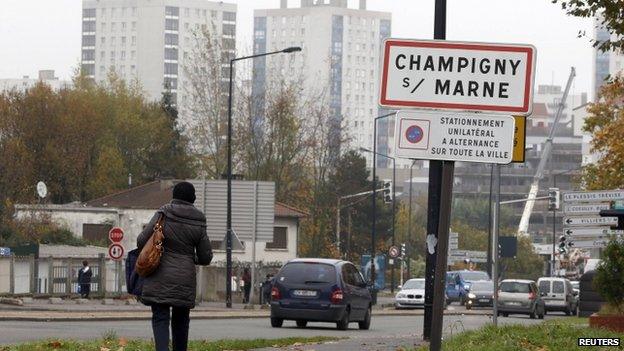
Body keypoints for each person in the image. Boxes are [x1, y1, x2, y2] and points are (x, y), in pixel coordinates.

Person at [137, 181, 213, 351]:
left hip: (159, 276)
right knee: (181, 320)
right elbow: (205, 256)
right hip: (184, 279)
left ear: (174, 196)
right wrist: (189, 258)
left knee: (160, 317)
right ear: (193, 198)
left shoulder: (164, 213)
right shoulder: (199, 219)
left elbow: (142, 240)